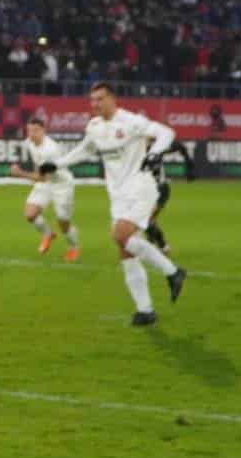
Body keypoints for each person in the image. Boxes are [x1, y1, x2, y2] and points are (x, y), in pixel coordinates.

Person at [43, 84, 186, 326]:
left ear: (112, 99)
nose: (95, 104)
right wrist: (57, 164)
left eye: (99, 99)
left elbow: (166, 133)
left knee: (120, 234)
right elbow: (84, 150)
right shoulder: (95, 127)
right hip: (117, 195)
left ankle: (172, 271)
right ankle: (145, 311)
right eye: (92, 100)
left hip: (141, 187)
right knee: (125, 250)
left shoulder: (131, 121)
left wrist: (155, 154)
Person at [10, 117, 79, 261]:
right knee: (30, 214)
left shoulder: (50, 150)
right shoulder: (29, 141)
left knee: (63, 221)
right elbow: (20, 148)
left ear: (43, 131)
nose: (31, 133)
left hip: (61, 184)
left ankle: (73, 248)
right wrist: (16, 162)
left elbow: (42, 178)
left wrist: (20, 173)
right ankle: (47, 234)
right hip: (46, 183)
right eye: (29, 130)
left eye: (35, 131)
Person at [140, 141, 196, 253]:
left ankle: (158, 246)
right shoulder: (131, 153)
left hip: (160, 189)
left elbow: (180, 146)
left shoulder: (156, 149)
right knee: (148, 221)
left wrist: (189, 166)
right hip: (143, 192)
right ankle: (158, 245)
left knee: (147, 219)